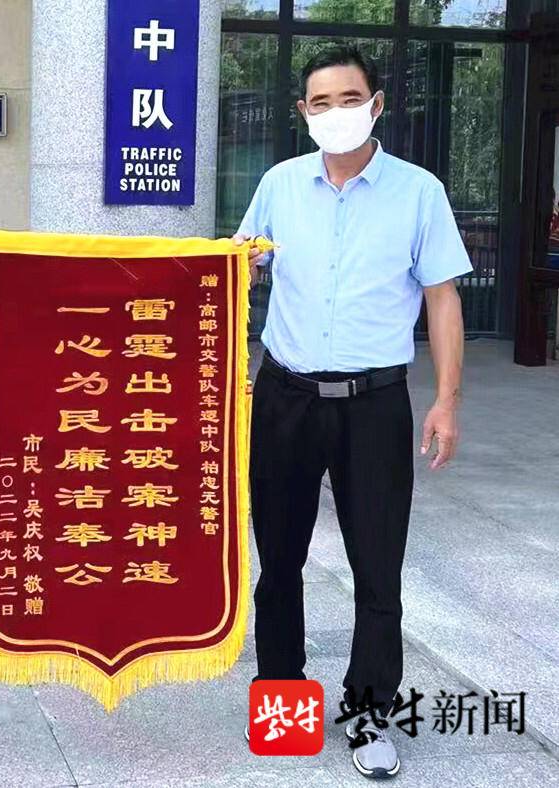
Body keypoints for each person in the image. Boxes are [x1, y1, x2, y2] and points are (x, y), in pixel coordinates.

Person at [235, 45, 471, 779]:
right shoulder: (278, 185)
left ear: (376, 104)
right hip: (285, 398)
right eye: (320, 102)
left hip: (373, 405)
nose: (335, 113)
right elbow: (238, 268)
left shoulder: (418, 193)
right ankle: (282, 697)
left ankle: (369, 712)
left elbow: (442, 298)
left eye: (348, 99)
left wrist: (446, 400)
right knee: (279, 559)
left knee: (377, 564)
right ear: (302, 113)